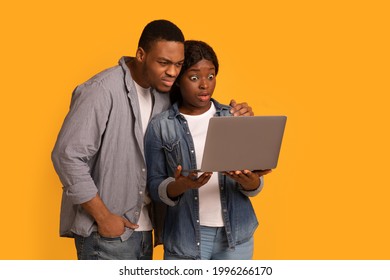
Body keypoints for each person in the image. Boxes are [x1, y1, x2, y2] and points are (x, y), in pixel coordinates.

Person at [51, 20, 254, 260]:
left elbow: (198, 100)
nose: (172, 71)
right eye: (163, 62)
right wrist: (104, 217)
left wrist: (236, 114)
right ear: (140, 54)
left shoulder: (162, 93)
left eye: (178, 65)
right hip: (105, 234)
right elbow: (67, 156)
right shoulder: (102, 90)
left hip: (145, 231)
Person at [145, 40, 272, 260]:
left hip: (237, 236)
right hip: (186, 238)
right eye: (194, 77)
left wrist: (248, 181)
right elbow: (154, 186)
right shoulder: (161, 126)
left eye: (211, 76)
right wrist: (181, 185)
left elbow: (255, 185)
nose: (204, 85)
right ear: (178, 81)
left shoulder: (234, 117)